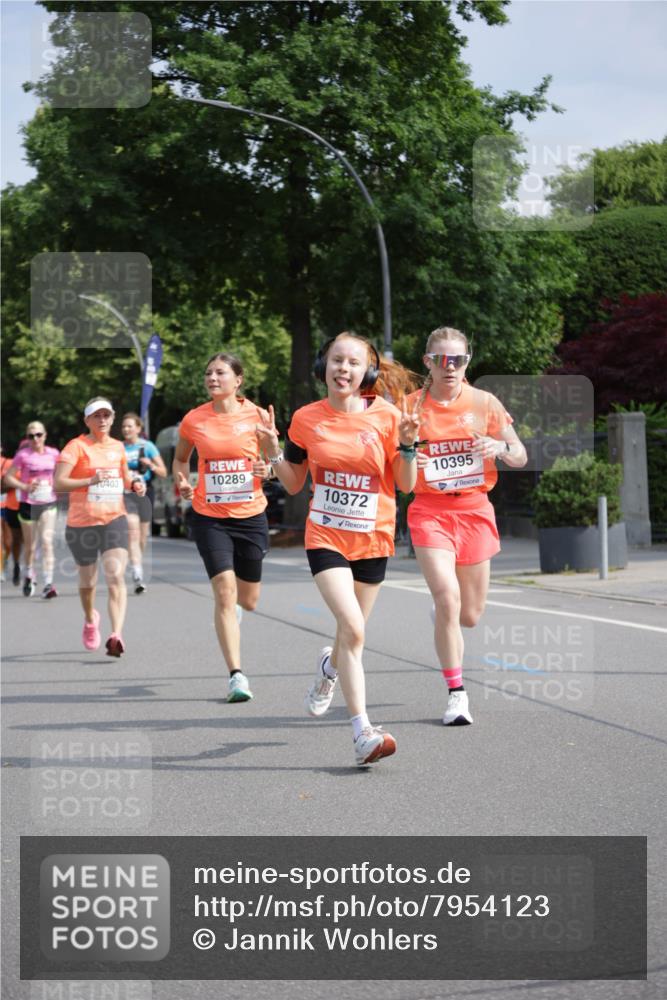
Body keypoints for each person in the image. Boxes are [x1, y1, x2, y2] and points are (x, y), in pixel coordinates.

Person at [256, 332, 421, 767]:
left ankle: (329, 669)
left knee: (350, 634)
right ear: (323, 366)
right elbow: (294, 483)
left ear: (366, 371)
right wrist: (273, 453)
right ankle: (363, 732)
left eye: (352, 362)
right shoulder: (306, 419)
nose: (343, 369)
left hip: (374, 537)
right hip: (326, 536)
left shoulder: (388, 416)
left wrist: (408, 445)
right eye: (336, 360)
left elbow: (406, 484)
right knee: (355, 629)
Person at [406, 326, 527, 726]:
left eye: (458, 360)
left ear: (466, 362)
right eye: (442, 359)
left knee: (470, 615)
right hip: (430, 511)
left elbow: (520, 454)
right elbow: (393, 468)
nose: (450, 367)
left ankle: (446, 613)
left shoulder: (484, 402)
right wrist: (409, 457)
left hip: (474, 510)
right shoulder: (410, 407)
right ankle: (456, 694)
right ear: (428, 362)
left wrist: (500, 447)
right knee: (447, 597)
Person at [173, 352, 272, 703]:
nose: (212, 378)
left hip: (251, 515)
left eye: (220, 372)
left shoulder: (258, 416)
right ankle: (236, 676)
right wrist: (182, 482)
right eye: (208, 373)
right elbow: (181, 459)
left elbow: (273, 461)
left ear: (238, 380)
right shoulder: (194, 419)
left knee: (249, 600)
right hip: (210, 516)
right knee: (225, 592)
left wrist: (267, 470)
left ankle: (234, 612)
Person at [54, 397, 146, 657]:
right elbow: (59, 482)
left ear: (112, 418)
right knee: (88, 582)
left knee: (115, 575)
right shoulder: (76, 447)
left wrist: (135, 485)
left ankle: (116, 635)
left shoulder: (118, 447)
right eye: (97, 415)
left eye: (106, 415)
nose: (102, 420)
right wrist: (90, 480)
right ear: (87, 420)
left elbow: (125, 479)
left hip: (114, 519)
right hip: (81, 523)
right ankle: (90, 618)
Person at [3, 422, 60, 598]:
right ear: (27, 438)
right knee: (31, 546)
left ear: (45, 435)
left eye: (38, 435)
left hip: (48, 502)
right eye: (31, 436)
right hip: (28, 504)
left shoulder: (54, 454)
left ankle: (48, 583)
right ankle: (29, 573)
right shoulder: (23, 455)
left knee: (47, 541)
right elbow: (8, 478)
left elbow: (62, 473)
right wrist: (25, 487)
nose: (35, 439)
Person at [121, 412, 167, 594]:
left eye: (130, 426)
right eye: (124, 426)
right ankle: (137, 573)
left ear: (138, 428)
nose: (126, 429)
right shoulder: (119, 448)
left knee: (142, 536)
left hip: (146, 492)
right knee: (132, 530)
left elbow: (163, 472)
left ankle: (136, 562)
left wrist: (151, 465)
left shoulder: (148, 446)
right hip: (126, 493)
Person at [1, 443, 24, 586]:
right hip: (5, 506)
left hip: (12, 505)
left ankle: (7, 560)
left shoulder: (9, 463)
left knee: (10, 542)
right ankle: (2, 569)